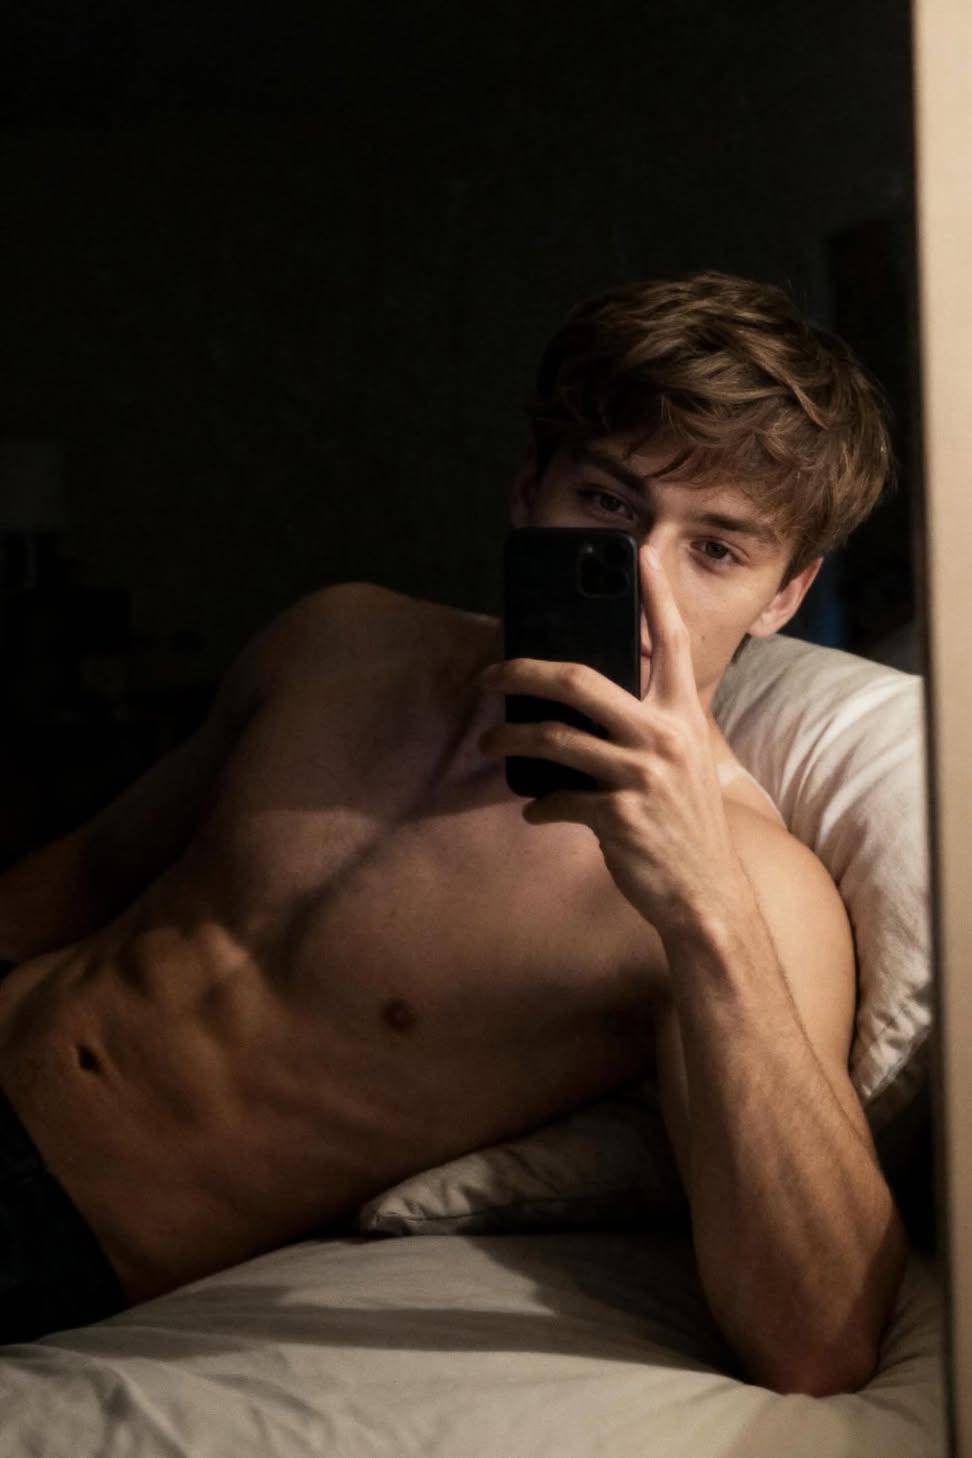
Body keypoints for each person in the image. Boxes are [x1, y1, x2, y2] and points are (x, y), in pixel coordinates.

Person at [0, 270, 908, 1393]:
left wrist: (704, 909)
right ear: (530, 485)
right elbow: (91, 870)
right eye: (609, 504)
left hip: (62, 1227)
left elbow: (820, 1341)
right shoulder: (340, 639)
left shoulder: (751, 883)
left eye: (716, 550)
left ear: (783, 596)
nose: (643, 583)